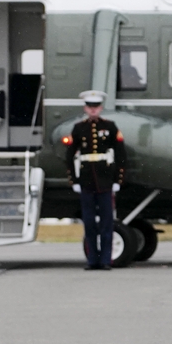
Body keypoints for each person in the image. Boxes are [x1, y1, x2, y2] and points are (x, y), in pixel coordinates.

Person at [64, 90, 125, 270]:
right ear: (85, 108)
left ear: (101, 108)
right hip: (86, 181)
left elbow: (121, 154)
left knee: (107, 223)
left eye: (96, 107)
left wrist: (117, 180)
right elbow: (70, 156)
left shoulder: (110, 127)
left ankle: (106, 260)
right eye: (90, 107)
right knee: (89, 223)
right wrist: (74, 180)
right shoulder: (78, 128)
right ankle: (92, 260)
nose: (93, 110)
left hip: (105, 180)